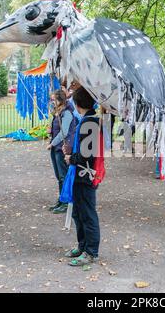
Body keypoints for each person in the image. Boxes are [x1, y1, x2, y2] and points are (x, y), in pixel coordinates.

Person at [64, 86, 101, 266]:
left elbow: (88, 154)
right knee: (78, 213)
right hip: (80, 173)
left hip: (85, 174)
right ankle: (82, 245)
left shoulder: (90, 122)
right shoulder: (87, 120)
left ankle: (91, 251)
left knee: (87, 213)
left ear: (78, 104)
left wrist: (71, 158)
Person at [47, 89, 77, 214]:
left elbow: (64, 132)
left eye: (54, 100)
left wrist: (52, 143)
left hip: (62, 148)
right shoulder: (58, 113)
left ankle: (66, 202)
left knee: (63, 176)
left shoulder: (67, 113)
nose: (52, 102)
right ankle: (61, 199)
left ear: (60, 100)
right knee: (59, 176)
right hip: (56, 147)